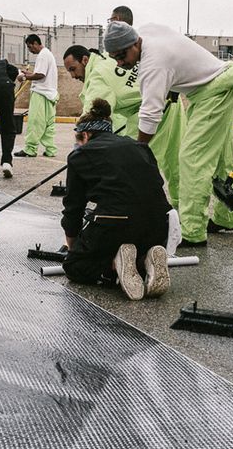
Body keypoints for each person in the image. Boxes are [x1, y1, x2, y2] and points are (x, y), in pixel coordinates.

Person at [104, 20, 233, 248]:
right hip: (216, 82)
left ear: (135, 42)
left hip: (212, 91)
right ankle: (227, 217)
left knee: (192, 158)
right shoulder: (147, 31)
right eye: (115, 58)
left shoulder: (153, 64)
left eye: (122, 55)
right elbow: (176, 52)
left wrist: (139, 149)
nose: (121, 62)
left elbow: (150, 115)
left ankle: (193, 231)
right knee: (219, 157)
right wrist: (173, 85)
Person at [61, 99, 171, 301]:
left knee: (75, 268)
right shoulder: (140, 147)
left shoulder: (80, 155)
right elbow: (155, 184)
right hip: (158, 223)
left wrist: (73, 245)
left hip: (117, 221)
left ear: (85, 135)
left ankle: (114, 262)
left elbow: (73, 207)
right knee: (130, 228)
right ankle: (144, 259)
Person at [104, 5, 185, 209]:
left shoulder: (146, 50)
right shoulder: (116, 52)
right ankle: (162, 210)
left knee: (152, 164)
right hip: (154, 106)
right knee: (165, 163)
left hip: (159, 108)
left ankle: (149, 211)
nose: (120, 62)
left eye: (114, 21)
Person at [14, 34, 58, 158]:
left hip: (41, 93)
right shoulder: (48, 54)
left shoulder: (42, 55)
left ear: (35, 43)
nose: (29, 50)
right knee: (48, 124)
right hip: (50, 94)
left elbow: (40, 75)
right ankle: (51, 149)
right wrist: (30, 74)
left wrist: (24, 76)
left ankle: (30, 149)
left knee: (35, 122)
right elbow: (40, 74)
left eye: (29, 47)